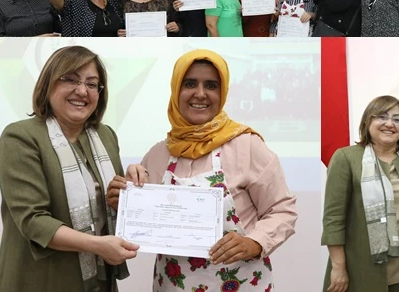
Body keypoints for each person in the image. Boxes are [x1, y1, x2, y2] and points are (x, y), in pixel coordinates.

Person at [107, 49, 297, 291]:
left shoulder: (247, 145)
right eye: (189, 84)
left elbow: (282, 209)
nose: (200, 93)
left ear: (222, 92)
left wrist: (254, 242)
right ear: (176, 90)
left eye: (211, 85)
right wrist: (122, 201)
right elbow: (145, 223)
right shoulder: (158, 154)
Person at [0, 45, 138, 292]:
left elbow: (111, 204)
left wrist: (131, 190)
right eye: (70, 79)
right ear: (48, 84)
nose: (82, 91)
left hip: (100, 280)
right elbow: (33, 221)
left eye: (92, 84)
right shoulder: (20, 136)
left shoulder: (105, 136)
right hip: (42, 279)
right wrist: (98, 245)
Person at [322, 95, 399, 292]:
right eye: (382, 117)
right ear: (367, 121)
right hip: (360, 269)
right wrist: (338, 267)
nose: (390, 124)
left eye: (397, 119)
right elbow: (333, 219)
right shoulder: (346, 158)